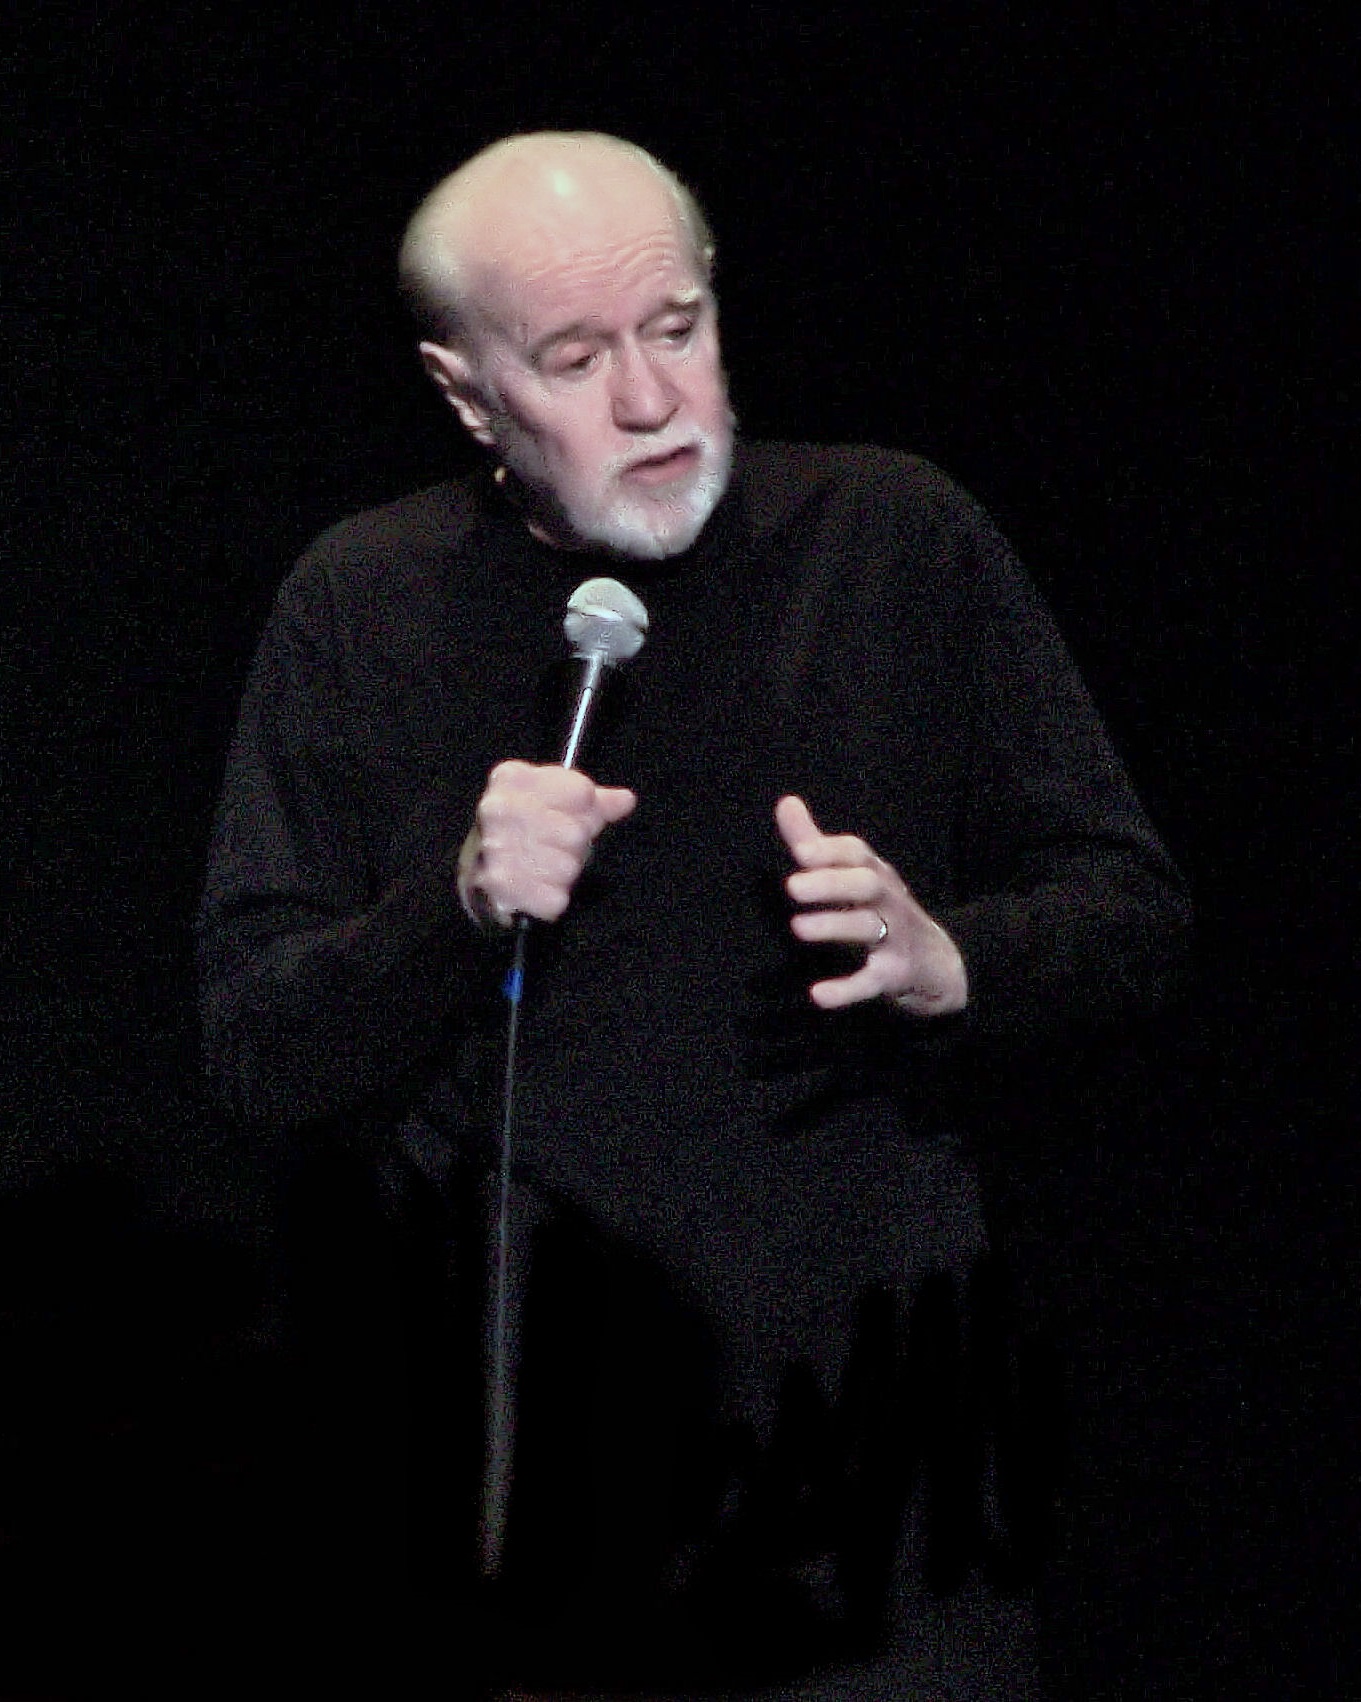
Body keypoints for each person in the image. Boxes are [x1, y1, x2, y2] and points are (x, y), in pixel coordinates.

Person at [197, 131, 1191, 1696]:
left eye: (676, 327)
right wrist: (451, 908)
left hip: (879, 1463)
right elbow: (257, 1049)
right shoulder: (360, 601)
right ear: (466, 393)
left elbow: (1134, 915)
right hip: (528, 1476)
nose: (651, 399)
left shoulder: (890, 538)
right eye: (575, 359)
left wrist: (951, 956)